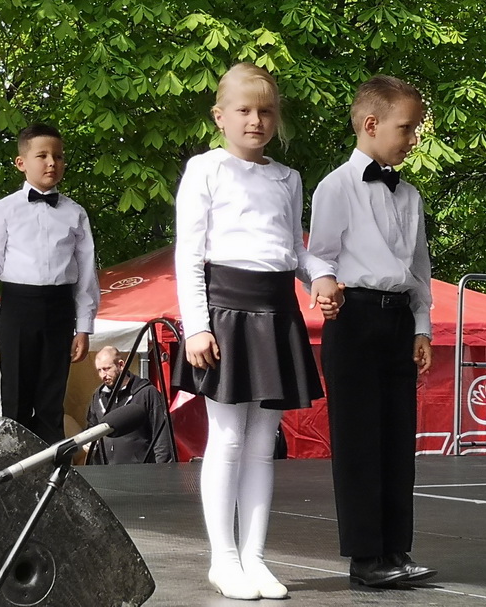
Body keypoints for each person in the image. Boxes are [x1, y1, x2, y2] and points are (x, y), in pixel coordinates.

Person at [173, 63, 341, 601]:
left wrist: (321, 275)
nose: (256, 120)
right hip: (224, 313)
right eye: (244, 110)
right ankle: (223, 559)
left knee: (264, 442)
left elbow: (292, 250)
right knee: (226, 437)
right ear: (219, 117)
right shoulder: (205, 169)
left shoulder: (288, 179)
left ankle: (255, 557)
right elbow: (188, 254)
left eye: (266, 111)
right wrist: (196, 327)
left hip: (276, 313)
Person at [307, 74, 436, 588]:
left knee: (398, 437)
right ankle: (365, 557)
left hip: (398, 318)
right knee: (359, 438)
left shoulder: (410, 195)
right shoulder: (336, 186)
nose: (414, 138)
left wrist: (422, 327)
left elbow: (420, 268)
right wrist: (324, 283)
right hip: (354, 317)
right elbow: (319, 253)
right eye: (406, 128)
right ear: (371, 124)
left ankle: (396, 548)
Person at [0, 123, 99, 443]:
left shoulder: (75, 213)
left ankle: (51, 468)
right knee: (15, 394)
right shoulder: (4, 208)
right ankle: (14, 463)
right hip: (18, 306)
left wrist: (84, 327)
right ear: (21, 162)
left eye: (58, 156)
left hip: (59, 308)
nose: (52, 162)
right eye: (42, 156)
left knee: (52, 397)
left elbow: (86, 274)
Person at [85, 346, 175, 464]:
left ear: (121, 365)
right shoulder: (98, 396)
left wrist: (162, 471)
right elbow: (92, 427)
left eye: (106, 369)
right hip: (107, 471)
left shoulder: (146, 393)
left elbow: (162, 439)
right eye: (99, 370)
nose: (103, 375)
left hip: (141, 471)